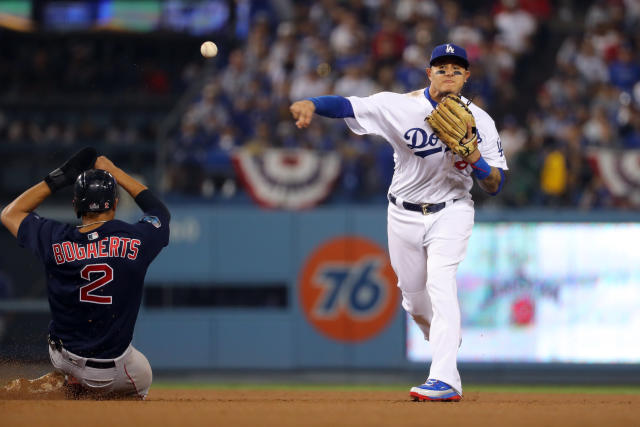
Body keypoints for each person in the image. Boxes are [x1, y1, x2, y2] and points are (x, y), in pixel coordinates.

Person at [290, 44, 507, 401]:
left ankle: (445, 379)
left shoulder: (480, 121)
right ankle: (444, 341)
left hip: (452, 210)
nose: (448, 73)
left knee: (441, 283)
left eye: (457, 68)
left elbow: (495, 184)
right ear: (429, 73)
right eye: (441, 67)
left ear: (467, 76)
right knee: (417, 304)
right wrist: (312, 103)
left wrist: (476, 159)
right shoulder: (400, 106)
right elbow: (348, 105)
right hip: (402, 214)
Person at [0, 148, 170, 399]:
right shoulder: (136, 240)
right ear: (114, 203)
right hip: (110, 370)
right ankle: (92, 394)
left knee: (64, 349)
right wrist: (115, 172)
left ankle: (71, 382)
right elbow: (160, 214)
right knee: (143, 376)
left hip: (63, 357)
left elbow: (10, 213)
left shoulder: (55, 238)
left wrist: (62, 177)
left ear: (75, 204)